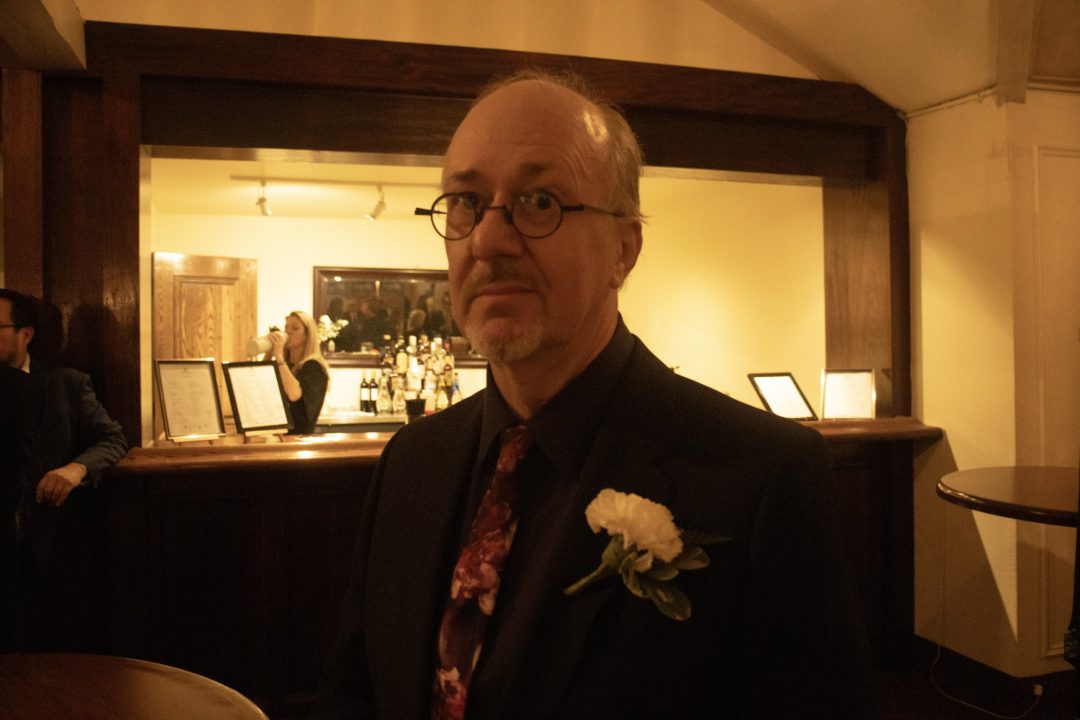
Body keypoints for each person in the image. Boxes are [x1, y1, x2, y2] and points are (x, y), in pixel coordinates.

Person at [312, 70, 874, 719]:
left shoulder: (761, 478)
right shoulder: (413, 461)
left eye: (541, 200)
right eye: (465, 203)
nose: (488, 240)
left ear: (624, 249)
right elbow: (354, 688)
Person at [0, 288, 127, 651]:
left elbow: (113, 439)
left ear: (26, 334)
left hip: (46, 547)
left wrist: (75, 469)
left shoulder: (65, 383)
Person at [268, 310, 329, 434]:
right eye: (286, 327)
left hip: (299, 439)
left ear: (308, 335)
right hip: (280, 437)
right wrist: (268, 355)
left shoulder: (313, 367)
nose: (288, 332)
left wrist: (279, 357)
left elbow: (294, 394)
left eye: (295, 328)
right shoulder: (287, 366)